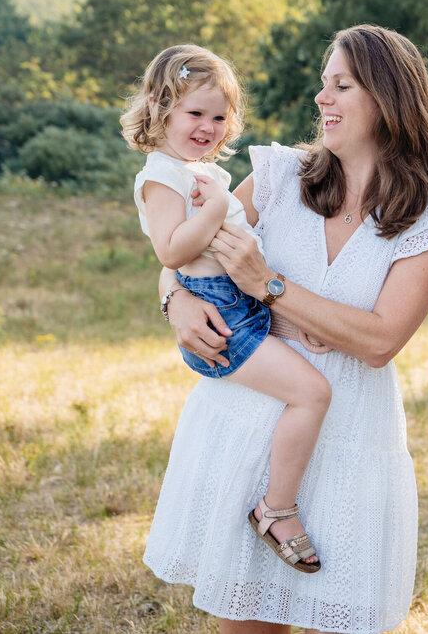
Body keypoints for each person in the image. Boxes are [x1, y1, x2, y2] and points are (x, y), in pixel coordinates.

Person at [144, 25, 428, 634]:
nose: (322, 98)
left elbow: (378, 341)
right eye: (323, 85)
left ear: (387, 98)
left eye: (341, 85)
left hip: (350, 436)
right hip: (249, 423)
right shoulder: (280, 177)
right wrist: (175, 304)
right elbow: (184, 255)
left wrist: (270, 286)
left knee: (336, 617)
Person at [123, 44, 330, 573]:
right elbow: (171, 251)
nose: (208, 126)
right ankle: (275, 510)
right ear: (159, 107)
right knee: (311, 393)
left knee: (306, 378)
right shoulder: (162, 176)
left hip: (239, 297)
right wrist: (215, 207)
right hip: (221, 311)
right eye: (194, 113)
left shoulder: (196, 170)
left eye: (219, 116)